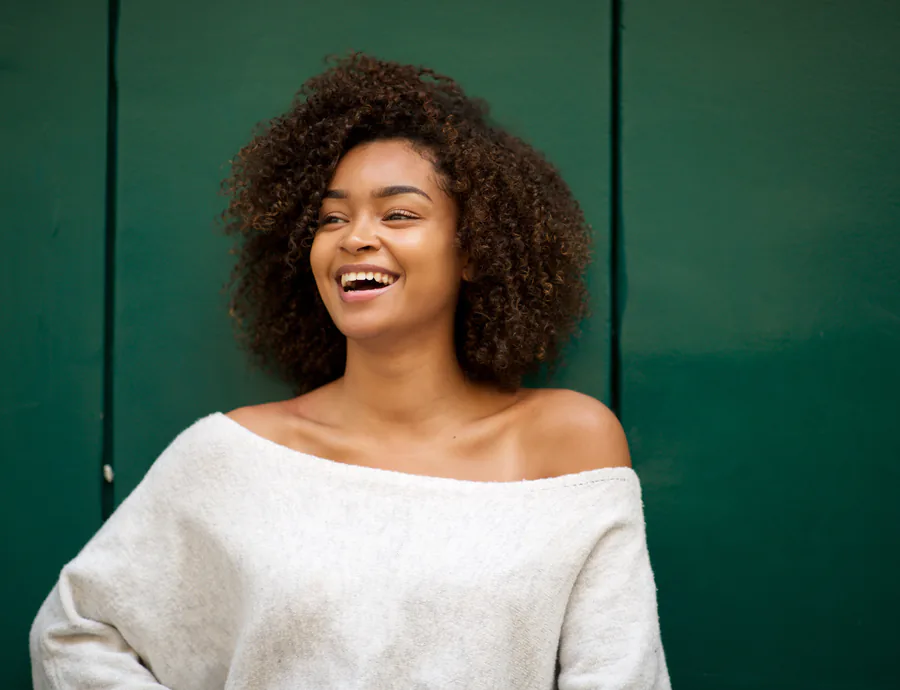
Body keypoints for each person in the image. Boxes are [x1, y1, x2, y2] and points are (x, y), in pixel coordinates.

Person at [30, 53, 670, 689]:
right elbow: (74, 633)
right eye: (333, 218)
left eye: (398, 214)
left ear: (474, 250)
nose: (355, 236)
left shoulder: (566, 443)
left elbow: (620, 674)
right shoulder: (235, 456)